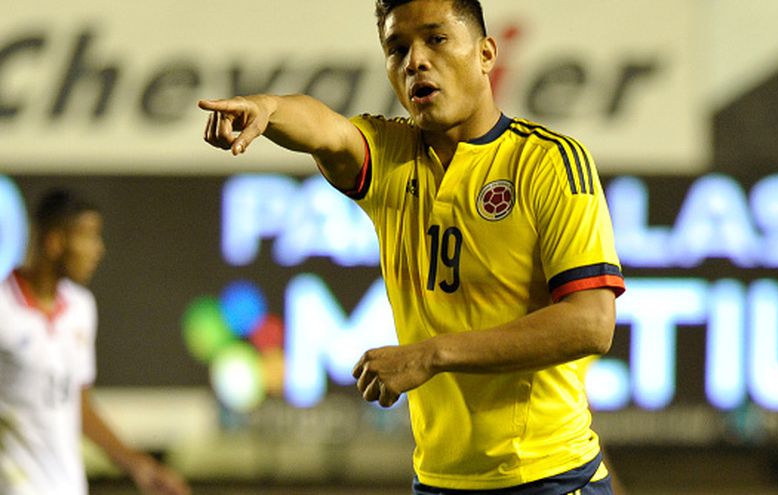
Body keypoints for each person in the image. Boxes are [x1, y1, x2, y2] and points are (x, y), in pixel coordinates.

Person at [199, 0, 625, 493]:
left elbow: (591, 323)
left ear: (486, 54)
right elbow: (324, 129)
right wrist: (269, 108)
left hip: (549, 476)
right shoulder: (389, 154)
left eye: (436, 39)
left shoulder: (548, 163)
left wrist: (431, 354)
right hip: (439, 480)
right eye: (397, 48)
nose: (415, 61)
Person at [0, 189, 192, 495]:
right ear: (54, 241)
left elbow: (78, 406)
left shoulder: (81, 307)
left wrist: (139, 465)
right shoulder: (3, 308)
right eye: (87, 236)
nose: (98, 249)